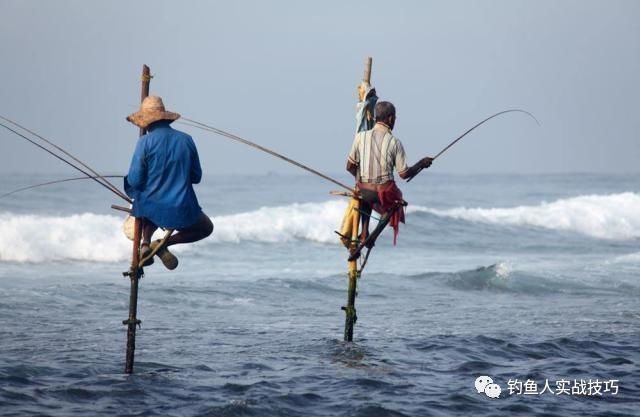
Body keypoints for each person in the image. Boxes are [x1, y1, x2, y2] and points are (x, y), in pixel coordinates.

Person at [124, 96, 213, 270]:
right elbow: (196, 177)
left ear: (145, 121)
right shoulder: (186, 139)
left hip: (150, 207)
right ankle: (163, 243)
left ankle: (146, 243)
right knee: (205, 228)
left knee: (146, 202)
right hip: (182, 207)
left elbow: (135, 180)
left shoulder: (144, 142)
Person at [346, 100, 432, 256]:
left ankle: (364, 233)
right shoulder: (395, 142)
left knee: (364, 196)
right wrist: (421, 163)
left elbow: (350, 167)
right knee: (397, 203)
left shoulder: (360, 137)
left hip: (365, 190)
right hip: (383, 192)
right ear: (390, 119)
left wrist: (361, 180)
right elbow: (404, 174)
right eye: (395, 118)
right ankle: (372, 237)